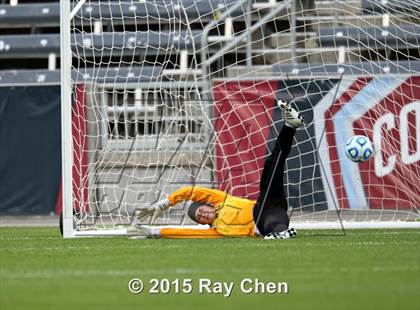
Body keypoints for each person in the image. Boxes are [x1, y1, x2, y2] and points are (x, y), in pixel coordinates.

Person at [133, 101, 304, 240]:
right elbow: (187, 233)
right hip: (264, 222)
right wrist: (155, 232)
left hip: (263, 204)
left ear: (208, 205)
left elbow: (190, 192)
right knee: (272, 227)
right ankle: (281, 232)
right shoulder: (217, 231)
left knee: (271, 168)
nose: (202, 216)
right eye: (199, 218)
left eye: (201, 211)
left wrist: (165, 203)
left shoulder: (220, 200)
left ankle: (289, 126)